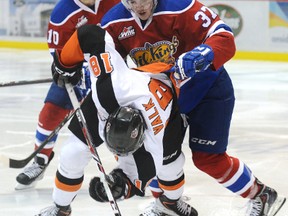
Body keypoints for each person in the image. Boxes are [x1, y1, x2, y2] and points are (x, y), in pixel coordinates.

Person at [100, 0, 287, 215]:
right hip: (161, 97)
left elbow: (224, 38)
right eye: (132, 1)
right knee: (151, 151)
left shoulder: (182, 7)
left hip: (207, 90)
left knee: (209, 159)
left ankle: (260, 194)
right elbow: (107, 63)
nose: (139, 6)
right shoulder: (114, 21)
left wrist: (203, 53)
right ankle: (166, 205)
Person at [35, 24, 198, 216]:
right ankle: (60, 208)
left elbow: (133, 183)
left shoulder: (150, 149)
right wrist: (65, 64)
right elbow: (90, 34)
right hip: (122, 94)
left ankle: (170, 203)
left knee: (171, 166)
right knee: (73, 153)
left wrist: (115, 188)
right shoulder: (110, 90)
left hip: (165, 101)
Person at [15, 0, 120, 190]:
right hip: (77, 73)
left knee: (120, 120)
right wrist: (77, 73)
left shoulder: (115, 2)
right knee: (50, 112)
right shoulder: (62, 13)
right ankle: (40, 160)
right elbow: (59, 56)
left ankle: (131, 169)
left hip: (113, 71)